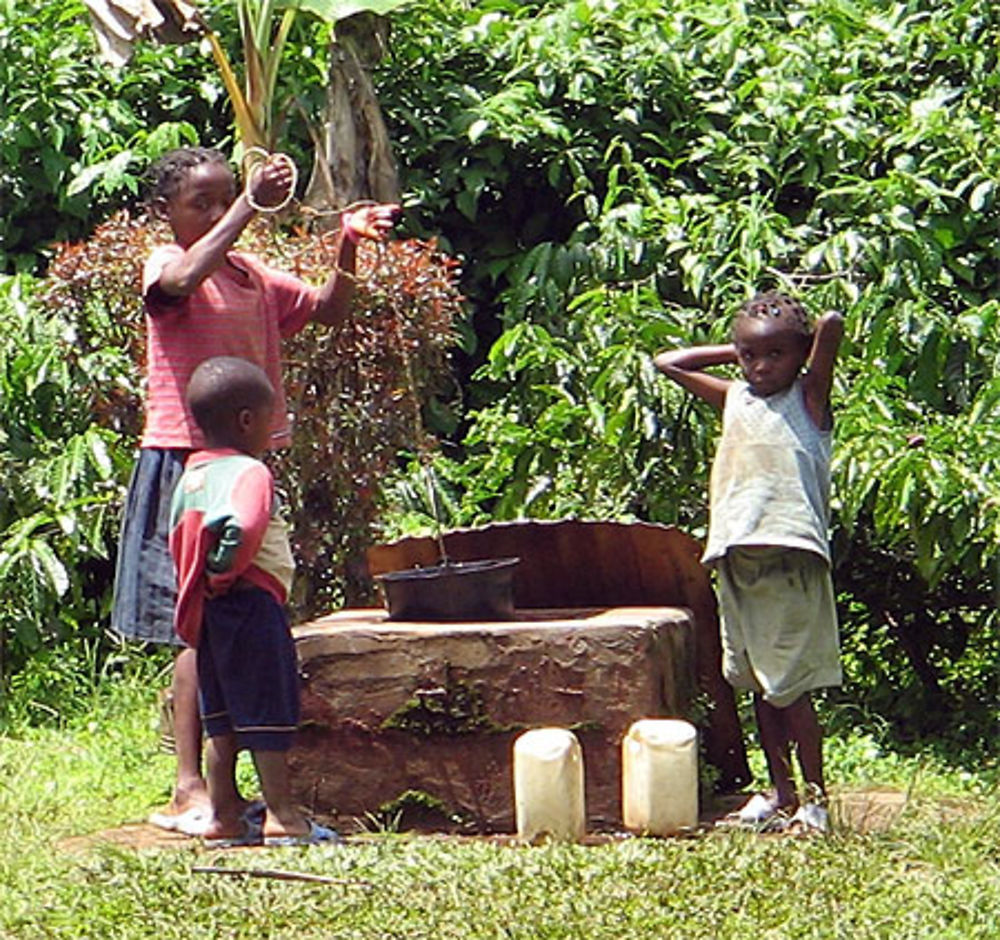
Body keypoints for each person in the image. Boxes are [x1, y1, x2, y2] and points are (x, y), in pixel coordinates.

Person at [110, 145, 398, 834]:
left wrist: (347, 245)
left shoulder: (253, 277)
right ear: (165, 213)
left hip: (246, 467)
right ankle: (191, 787)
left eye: (225, 196)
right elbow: (180, 277)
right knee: (192, 627)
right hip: (183, 460)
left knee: (236, 617)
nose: (216, 211)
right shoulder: (167, 264)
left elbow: (328, 311)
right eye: (200, 202)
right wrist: (249, 204)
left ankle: (228, 792)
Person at [654, 291, 844, 832]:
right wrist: (736, 349)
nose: (760, 366)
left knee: (791, 688)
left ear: (801, 355)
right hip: (736, 557)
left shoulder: (808, 401)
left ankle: (815, 800)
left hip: (789, 558)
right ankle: (779, 793)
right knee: (759, 685)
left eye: (775, 355)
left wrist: (801, 346)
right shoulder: (737, 398)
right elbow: (667, 363)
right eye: (750, 355)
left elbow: (830, 324)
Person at [169, 355, 337, 846]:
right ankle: (284, 815)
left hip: (213, 615)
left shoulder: (191, 476)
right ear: (247, 420)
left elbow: (179, 537)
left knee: (220, 718)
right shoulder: (250, 472)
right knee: (268, 709)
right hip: (251, 604)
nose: (274, 427)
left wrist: (206, 584)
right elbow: (243, 526)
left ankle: (222, 816)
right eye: (271, 417)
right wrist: (226, 570)